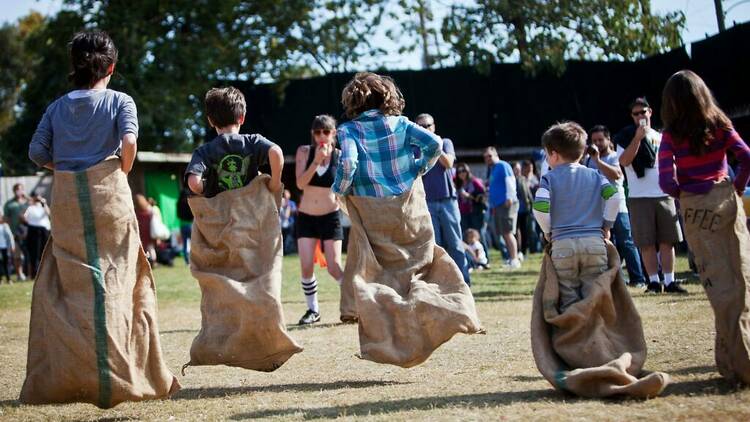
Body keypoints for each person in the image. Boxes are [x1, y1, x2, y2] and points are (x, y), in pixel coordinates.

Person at [24, 30, 178, 406]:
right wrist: (119, 170)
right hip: (109, 198)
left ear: (73, 66)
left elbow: (35, 151)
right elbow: (129, 143)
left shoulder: (57, 107)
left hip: (66, 205)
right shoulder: (120, 101)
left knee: (74, 285)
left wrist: (65, 167)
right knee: (118, 281)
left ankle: (73, 372)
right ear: (111, 66)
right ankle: (122, 374)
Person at [659, 69, 750, 384]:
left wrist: (683, 193)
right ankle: (738, 358)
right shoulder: (720, 124)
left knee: (716, 284)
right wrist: (736, 186)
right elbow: (746, 155)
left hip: (696, 208)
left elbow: (664, 180)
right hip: (725, 201)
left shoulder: (671, 134)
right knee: (740, 278)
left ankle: (734, 361)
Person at [532, 121, 622, 312]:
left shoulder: (549, 178)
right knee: (594, 296)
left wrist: (548, 231)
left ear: (553, 154)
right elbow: (614, 198)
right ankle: (596, 338)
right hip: (594, 243)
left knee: (568, 299)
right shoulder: (596, 176)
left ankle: (573, 336)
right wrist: (606, 225)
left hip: (563, 245)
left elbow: (540, 208)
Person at [615, 97, 686, 294]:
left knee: (667, 240)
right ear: (632, 116)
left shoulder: (661, 136)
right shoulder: (625, 137)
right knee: (646, 242)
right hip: (639, 197)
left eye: (643, 112)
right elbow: (624, 160)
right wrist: (637, 138)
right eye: (636, 113)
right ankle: (654, 282)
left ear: (650, 112)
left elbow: (671, 165)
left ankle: (670, 281)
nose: (640, 116)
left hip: (664, 194)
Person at [294, 115, 346, 325]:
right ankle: (313, 310)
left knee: (334, 266)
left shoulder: (340, 156)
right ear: (313, 134)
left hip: (331, 217)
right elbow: (300, 184)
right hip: (306, 217)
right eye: (317, 132)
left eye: (326, 132)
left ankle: (352, 305)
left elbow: (345, 187)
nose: (321, 136)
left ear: (334, 133)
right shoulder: (304, 152)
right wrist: (316, 161)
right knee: (306, 266)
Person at [186, 86, 283, 196]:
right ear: (242, 118)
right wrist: (275, 183)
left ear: (211, 121)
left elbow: (194, 182)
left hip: (221, 211)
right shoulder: (253, 141)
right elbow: (276, 152)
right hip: (251, 209)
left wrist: (205, 187)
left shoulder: (204, 151)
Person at [585, 125, 647, 288]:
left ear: (608, 140)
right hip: (598, 208)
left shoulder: (613, 157)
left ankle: (638, 278)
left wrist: (597, 161)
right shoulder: (588, 160)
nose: (597, 143)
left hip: (617, 207)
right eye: (594, 141)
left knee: (627, 242)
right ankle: (612, 278)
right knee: (604, 244)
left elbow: (617, 174)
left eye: (600, 140)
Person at [415, 113, 470, 285]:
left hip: (448, 202)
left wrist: (433, 144)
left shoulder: (444, 142)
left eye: (428, 126)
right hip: (427, 203)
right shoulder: (414, 147)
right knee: (434, 246)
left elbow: (449, 163)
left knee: (455, 244)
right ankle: (440, 284)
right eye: (421, 127)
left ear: (434, 127)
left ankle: (463, 282)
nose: (425, 129)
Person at [486, 146, 521, 269]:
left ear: (496, 155)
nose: (487, 159)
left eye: (489, 156)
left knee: (508, 232)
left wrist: (509, 197)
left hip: (507, 203)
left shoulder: (502, 165)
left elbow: (510, 181)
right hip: (498, 205)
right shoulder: (493, 169)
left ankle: (515, 259)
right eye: (485, 157)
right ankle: (511, 258)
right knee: (504, 233)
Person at [23, 192, 51, 279]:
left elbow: (49, 214)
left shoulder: (43, 206)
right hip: (33, 230)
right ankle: (35, 274)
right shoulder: (30, 207)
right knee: (34, 253)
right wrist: (29, 203)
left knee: (44, 252)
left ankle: (46, 274)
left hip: (44, 230)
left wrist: (44, 203)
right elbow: (24, 216)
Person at [3, 183, 28, 281]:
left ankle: (30, 273)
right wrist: (10, 232)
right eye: (17, 189)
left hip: (28, 233)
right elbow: (6, 218)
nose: (19, 191)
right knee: (18, 255)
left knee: (27, 255)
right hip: (15, 233)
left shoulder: (27, 202)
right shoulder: (9, 204)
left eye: (21, 189)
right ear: (14, 191)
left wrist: (27, 197)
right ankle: (19, 273)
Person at [455, 163, 487, 235]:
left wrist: (469, 196)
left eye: (463, 171)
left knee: (478, 235)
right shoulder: (458, 184)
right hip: (463, 214)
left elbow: (483, 196)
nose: (461, 173)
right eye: (459, 172)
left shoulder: (475, 182)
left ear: (467, 171)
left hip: (475, 213)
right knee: (465, 235)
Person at [513, 161, 533, 259]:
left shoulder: (523, 179)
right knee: (515, 232)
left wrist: (532, 204)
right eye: (516, 169)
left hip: (524, 210)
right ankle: (516, 251)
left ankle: (524, 252)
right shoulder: (510, 180)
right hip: (513, 210)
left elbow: (528, 194)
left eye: (518, 168)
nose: (518, 170)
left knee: (524, 231)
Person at [134, 194, 156, 263]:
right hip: (149, 232)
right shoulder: (149, 212)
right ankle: (153, 261)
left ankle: (145, 260)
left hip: (140, 232)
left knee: (143, 247)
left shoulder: (136, 213)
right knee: (150, 247)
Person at [176, 186, 194, 264]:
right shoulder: (190, 203)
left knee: (185, 244)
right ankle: (194, 259)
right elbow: (193, 214)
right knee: (193, 244)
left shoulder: (178, 203)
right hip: (191, 225)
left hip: (182, 225)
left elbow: (178, 215)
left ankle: (187, 261)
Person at [279, 189, 297, 255]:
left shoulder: (291, 203)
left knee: (288, 238)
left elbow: (295, 211)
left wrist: (288, 207)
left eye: (287, 194)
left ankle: (287, 251)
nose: (286, 196)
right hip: (281, 224)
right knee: (281, 238)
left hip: (290, 223)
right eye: (285, 195)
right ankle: (282, 252)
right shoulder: (280, 202)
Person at [0, 215, 14, 284]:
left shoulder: (5, 226)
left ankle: (9, 279)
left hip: (5, 247)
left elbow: (10, 236)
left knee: (6, 263)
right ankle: (0, 280)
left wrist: (12, 246)